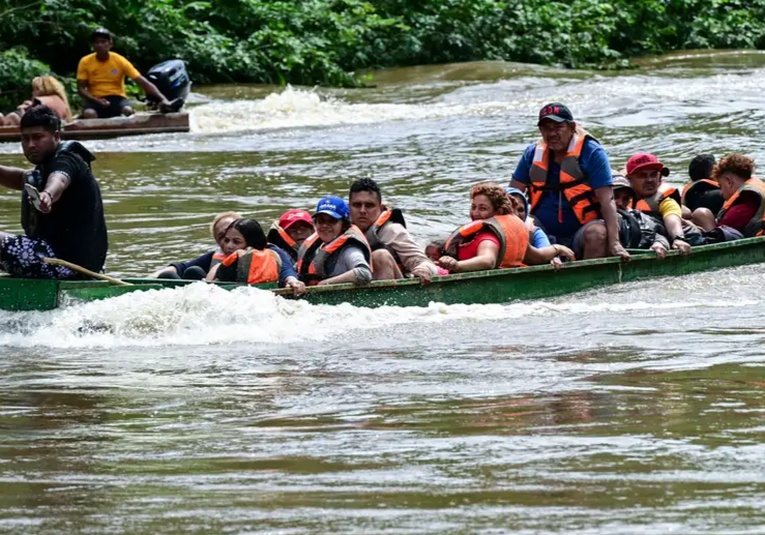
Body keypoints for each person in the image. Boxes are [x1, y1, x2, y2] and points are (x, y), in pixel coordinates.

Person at [508, 102, 629, 262]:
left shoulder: (592, 152)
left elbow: (607, 200)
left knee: (597, 233)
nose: (551, 134)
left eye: (558, 127)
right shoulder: (532, 154)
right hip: (543, 232)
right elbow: (511, 197)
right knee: (524, 230)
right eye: (546, 128)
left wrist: (614, 243)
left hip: (583, 230)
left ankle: (590, 281)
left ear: (572, 127)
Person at [0, 106, 107, 278]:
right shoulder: (46, 165)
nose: (31, 145)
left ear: (56, 136)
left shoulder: (67, 160)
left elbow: (59, 179)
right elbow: (22, 178)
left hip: (67, 266)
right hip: (64, 262)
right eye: (25, 139)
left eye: (37, 137)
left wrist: (47, 195)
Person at [437, 182, 574, 274]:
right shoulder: (507, 234)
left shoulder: (488, 238)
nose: (476, 213)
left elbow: (487, 261)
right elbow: (537, 257)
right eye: (473, 207)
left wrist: (456, 266)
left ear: (499, 211)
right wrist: (557, 248)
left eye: (483, 208)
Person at [348, 178, 438, 282]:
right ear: (348, 207)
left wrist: (423, 269)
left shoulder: (392, 231)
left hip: (393, 288)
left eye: (369, 205)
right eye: (357, 205)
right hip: (356, 282)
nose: (362, 211)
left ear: (381, 208)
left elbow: (424, 262)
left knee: (380, 256)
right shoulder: (337, 228)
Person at [77, 28, 177, 119]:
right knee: (89, 114)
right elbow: (81, 89)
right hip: (95, 99)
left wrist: (163, 99)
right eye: (97, 42)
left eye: (103, 42)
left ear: (110, 44)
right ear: (93, 46)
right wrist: (97, 101)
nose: (100, 45)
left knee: (128, 111)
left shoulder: (120, 60)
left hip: (117, 98)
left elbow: (143, 82)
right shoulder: (85, 61)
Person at [208, 218, 305, 293]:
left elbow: (286, 269)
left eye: (236, 242)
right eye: (226, 240)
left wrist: (292, 280)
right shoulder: (221, 255)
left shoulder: (272, 252)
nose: (229, 246)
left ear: (251, 243)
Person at [625, 153, 696, 254]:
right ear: (629, 179)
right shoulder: (620, 199)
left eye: (653, 175)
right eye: (642, 175)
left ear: (659, 178)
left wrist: (678, 238)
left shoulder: (665, 200)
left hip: (661, 241)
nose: (649, 180)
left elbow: (672, 217)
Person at [297, 196, 373, 286]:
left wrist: (325, 284)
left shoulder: (350, 250)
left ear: (344, 225)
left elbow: (364, 273)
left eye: (332, 221)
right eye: (321, 221)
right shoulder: (316, 247)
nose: (325, 225)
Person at [692, 153, 765, 241]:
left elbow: (724, 228)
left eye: (721, 186)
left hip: (747, 244)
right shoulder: (755, 189)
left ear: (728, 181)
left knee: (701, 214)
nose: (721, 193)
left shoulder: (747, 200)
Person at [152, 211, 241, 279]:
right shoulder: (212, 257)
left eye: (235, 239)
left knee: (194, 271)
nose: (229, 244)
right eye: (223, 237)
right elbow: (180, 268)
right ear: (217, 241)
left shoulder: (252, 254)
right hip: (207, 294)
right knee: (169, 274)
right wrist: (150, 278)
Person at [611, 172, 671, 258]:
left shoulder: (636, 217)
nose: (620, 203)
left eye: (625, 199)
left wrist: (660, 244)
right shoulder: (591, 218)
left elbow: (655, 234)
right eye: (615, 197)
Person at [0, 76, 73, 126]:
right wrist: (31, 105)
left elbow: (31, 120)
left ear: (40, 89)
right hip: (52, 125)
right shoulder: (60, 99)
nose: (32, 93)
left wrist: (21, 109)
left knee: (11, 116)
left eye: (34, 90)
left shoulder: (40, 100)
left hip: (42, 126)